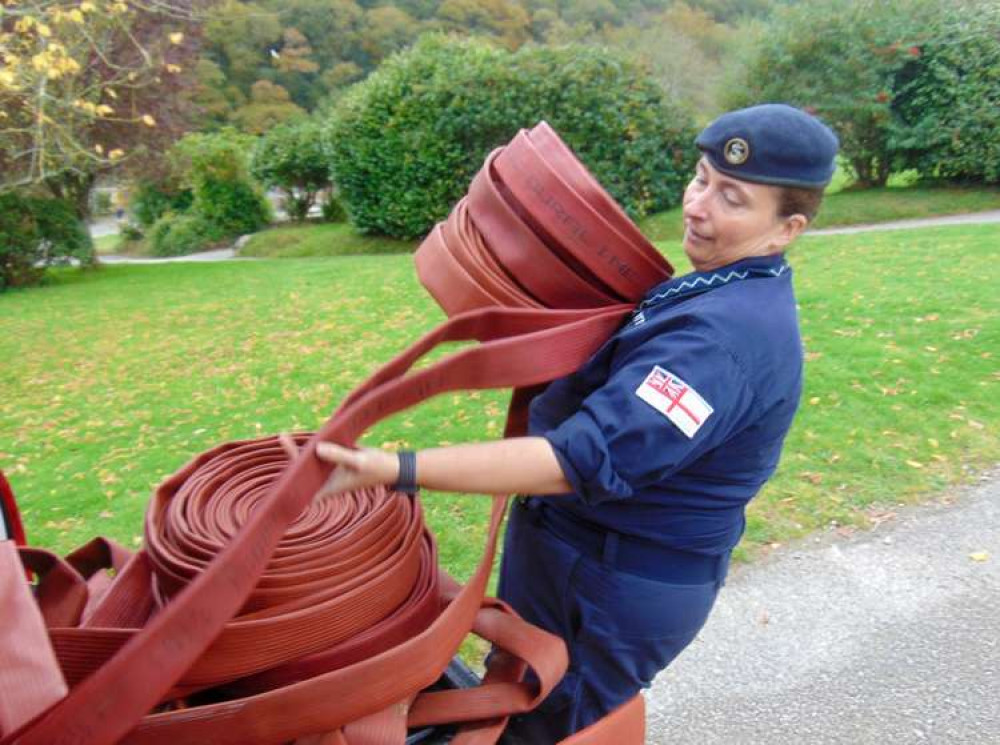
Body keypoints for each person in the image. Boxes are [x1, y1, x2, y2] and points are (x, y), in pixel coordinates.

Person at [305, 103, 839, 742]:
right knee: (506, 709)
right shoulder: (715, 286)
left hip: (608, 588)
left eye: (732, 198)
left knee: (540, 731)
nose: (698, 205)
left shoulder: (724, 340)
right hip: (576, 558)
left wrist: (397, 469)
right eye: (700, 179)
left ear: (785, 229)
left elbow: (581, 458)